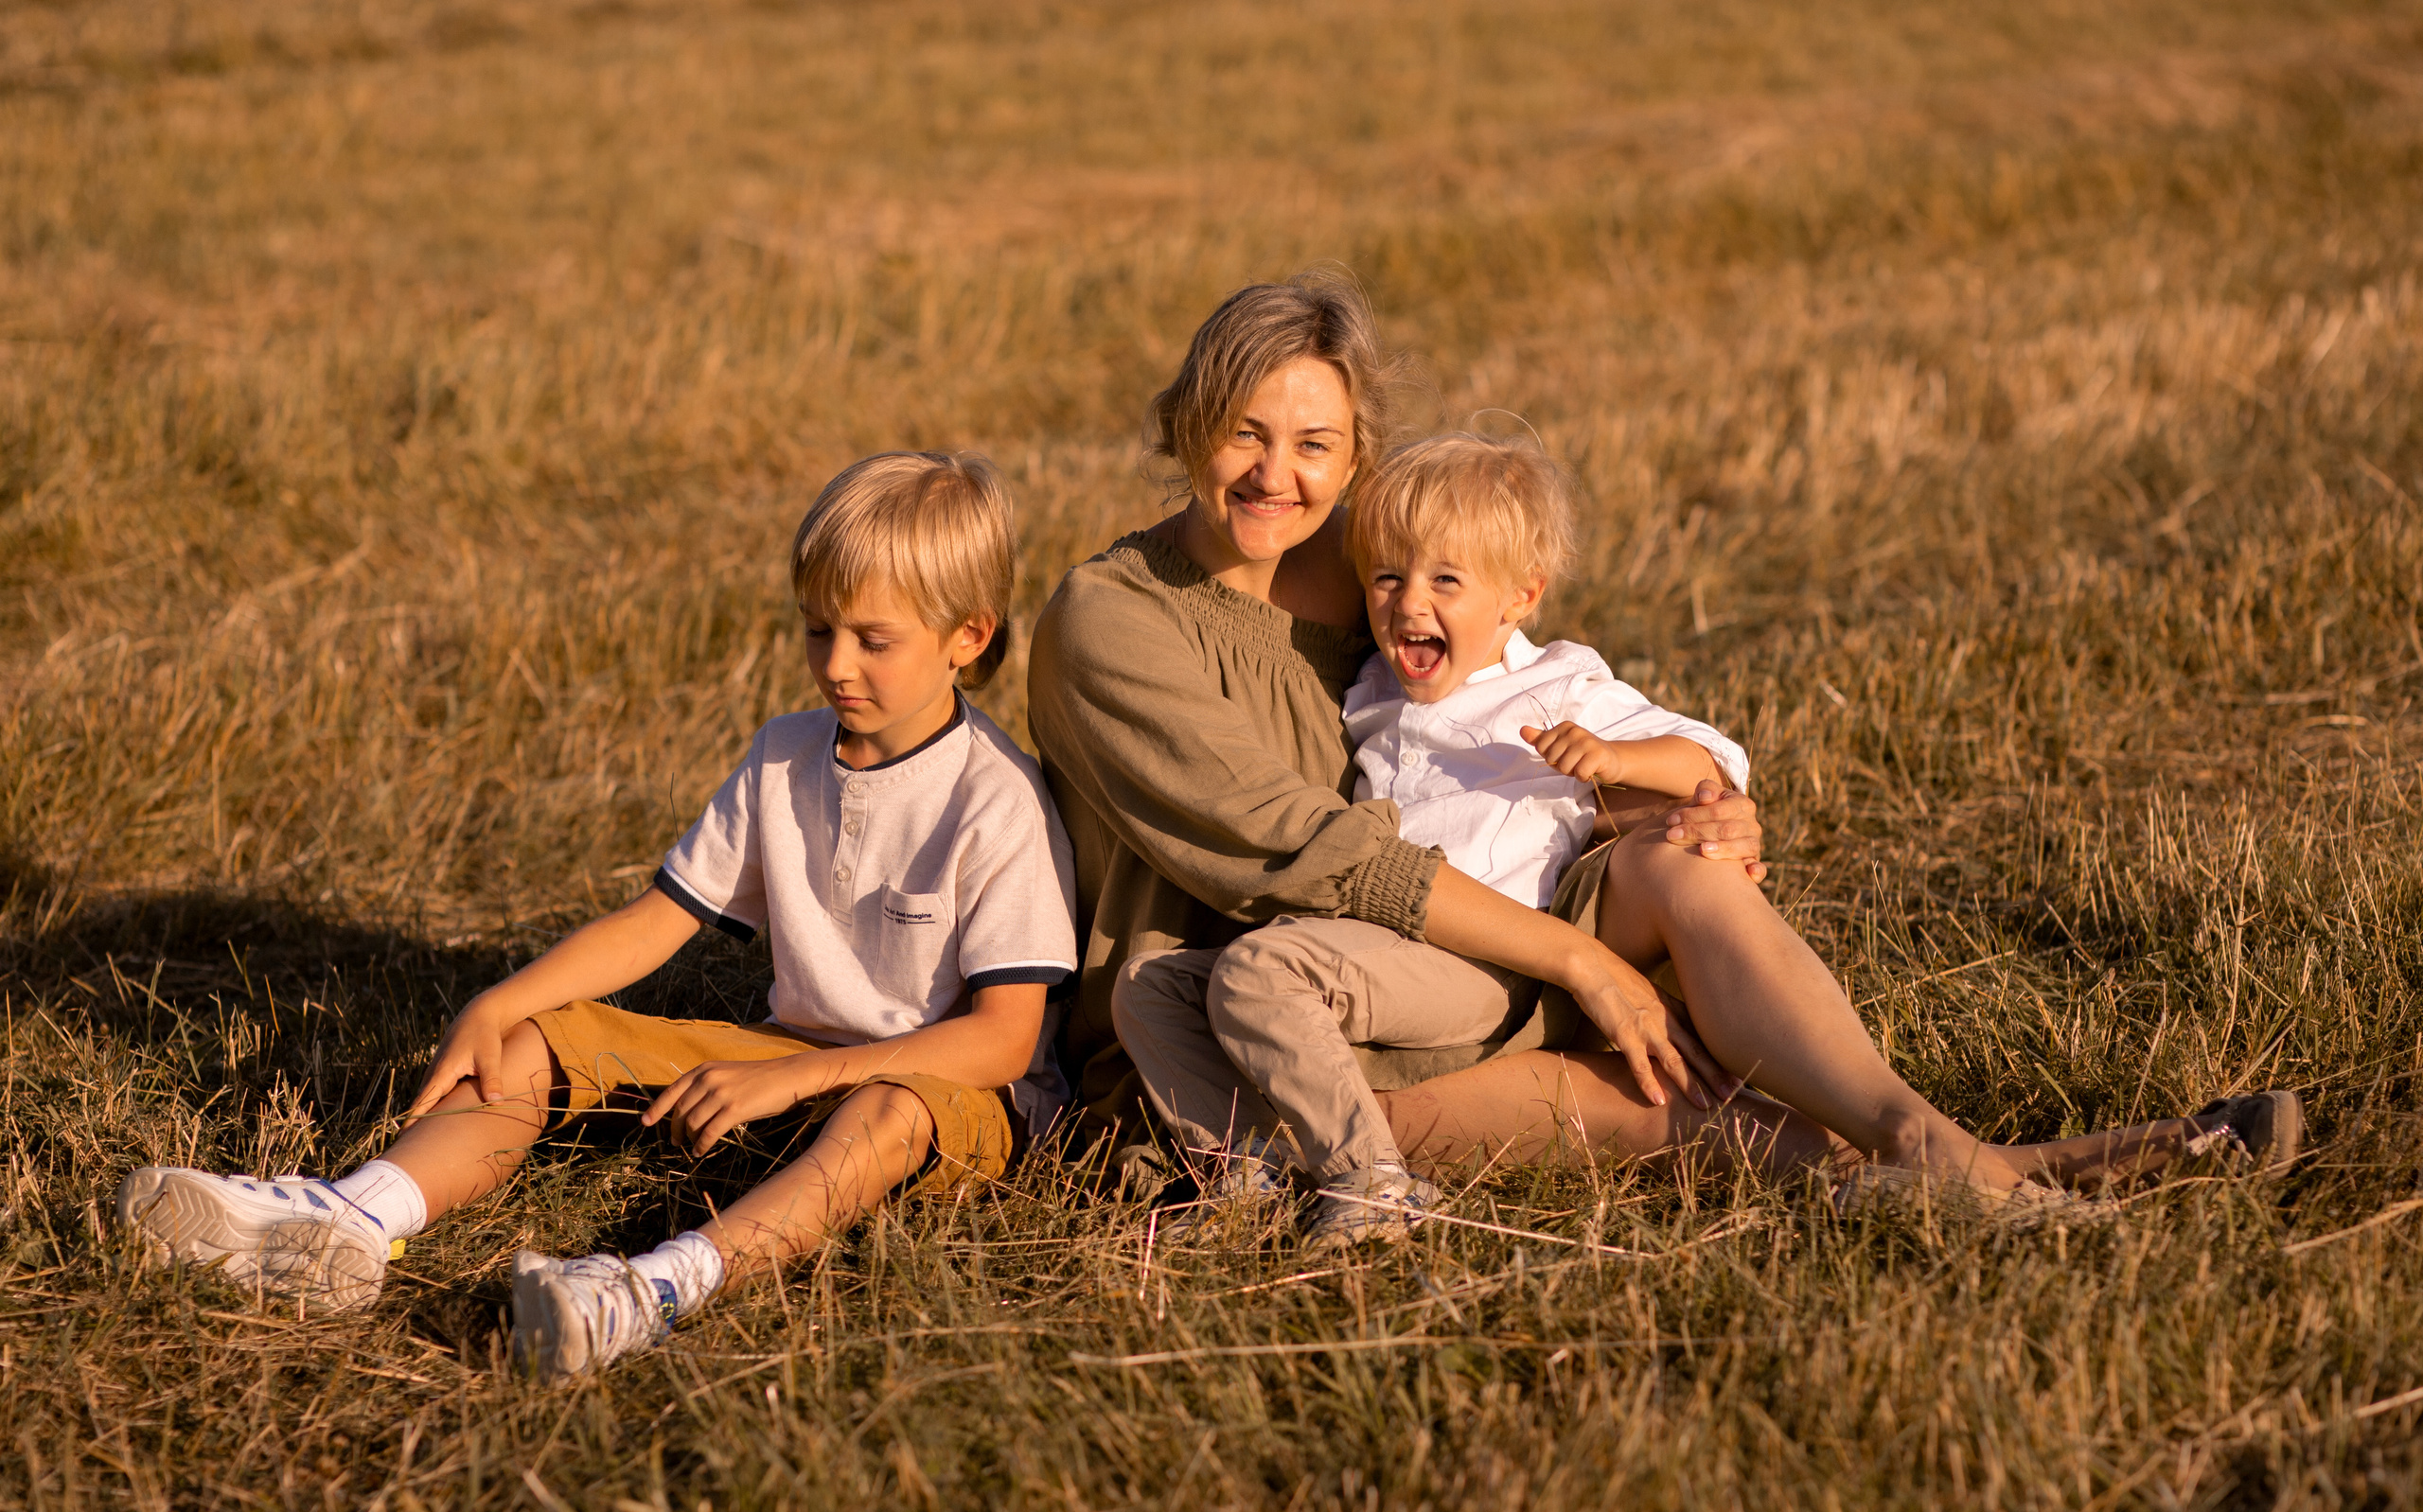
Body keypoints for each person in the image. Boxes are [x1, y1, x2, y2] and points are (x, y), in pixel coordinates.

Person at [1027, 273, 2298, 1214]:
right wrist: (1586, 965)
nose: (1276, 475)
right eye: (1244, 432)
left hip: (1463, 957)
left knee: (1675, 870)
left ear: (1358, 456)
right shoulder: (1111, 619)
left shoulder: (1374, 573)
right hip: (1260, 1036)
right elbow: (1301, 849)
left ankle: (1923, 1138)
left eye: (1314, 445)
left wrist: (1682, 808)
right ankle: (2032, 1177)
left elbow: (1510, 723)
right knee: (1672, 1113)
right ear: (1187, 424)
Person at [117, 451, 1078, 1376]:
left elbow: (1001, 1040)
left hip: (945, 1101)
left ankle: (653, 1291)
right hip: (782, 1058)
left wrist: (800, 1076)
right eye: (815, 629)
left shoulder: (998, 800)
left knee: (885, 1112)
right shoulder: (786, 753)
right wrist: (498, 1004)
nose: (835, 663)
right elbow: (654, 921)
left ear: (968, 636)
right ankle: (352, 1218)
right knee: (532, 1041)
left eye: (874, 640)